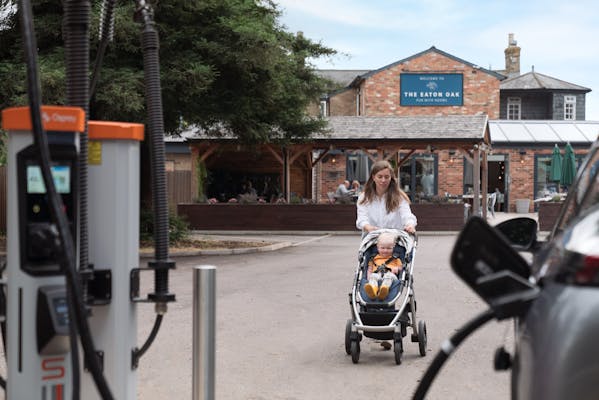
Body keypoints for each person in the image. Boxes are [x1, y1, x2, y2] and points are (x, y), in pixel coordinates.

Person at [356, 160, 417, 235]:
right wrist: (368, 227)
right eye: (380, 177)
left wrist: (410, 225)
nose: (383, 180)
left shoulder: (399, 197)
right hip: (372, 238)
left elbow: (406, 215)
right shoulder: (364, 197)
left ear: (391, 178)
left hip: (395, 238)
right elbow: (362, 218)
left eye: (387, 177)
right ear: (373, 177)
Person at [364, 232, 402, 300]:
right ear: (377, 247)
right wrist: (368, 278)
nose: (385, 250)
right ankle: (373, 290)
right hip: (377, 274)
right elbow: (369, 269)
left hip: (391, 276)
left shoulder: (396, 258)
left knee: (388, 276)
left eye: (388, 248)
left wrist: (397, 268)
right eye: (382, 248)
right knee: (373, 276)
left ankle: (384, 290)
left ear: (393, 247)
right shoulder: (374, 258)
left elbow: (401, 268)